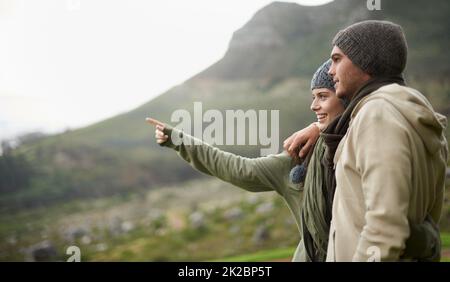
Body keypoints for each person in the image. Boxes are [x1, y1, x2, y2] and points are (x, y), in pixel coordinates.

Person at [147, 59, 441, 262]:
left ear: (346, 98)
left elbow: (395, 218)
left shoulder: (375, 144)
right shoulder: (299, 158)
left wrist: (425, 241)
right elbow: (238, 169)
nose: (313, 106)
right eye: (313, 96)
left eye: (323, 96)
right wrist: (178, 140)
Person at [321, 20, 447, 261]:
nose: (330, 71)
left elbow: (385, 229)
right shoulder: (408, 115)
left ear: (365, 61)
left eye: (337, 59)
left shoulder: (377, 115)